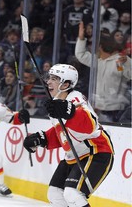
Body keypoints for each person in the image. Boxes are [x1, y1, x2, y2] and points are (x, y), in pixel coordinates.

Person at [23, 64, 114, 207]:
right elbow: (63, 133)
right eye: (49, 78)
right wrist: (42, 138)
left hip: (96, 152)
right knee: (54, 194)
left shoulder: (75, 99)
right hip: (74, 156)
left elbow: (89, 124)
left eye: (54, 79)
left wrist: (68, 111)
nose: (49, 82)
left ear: (65, 84)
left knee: (72, 194)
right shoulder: (56, 104)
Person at [75, 21, 131, 122]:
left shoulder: (120, 60)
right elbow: (81, 55)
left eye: (94, 46)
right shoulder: (98, 61)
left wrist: (126, 63)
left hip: (116, 110)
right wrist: (81, 38)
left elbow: (129, 74)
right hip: (98, 108)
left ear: (100, 47)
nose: (92, 49)